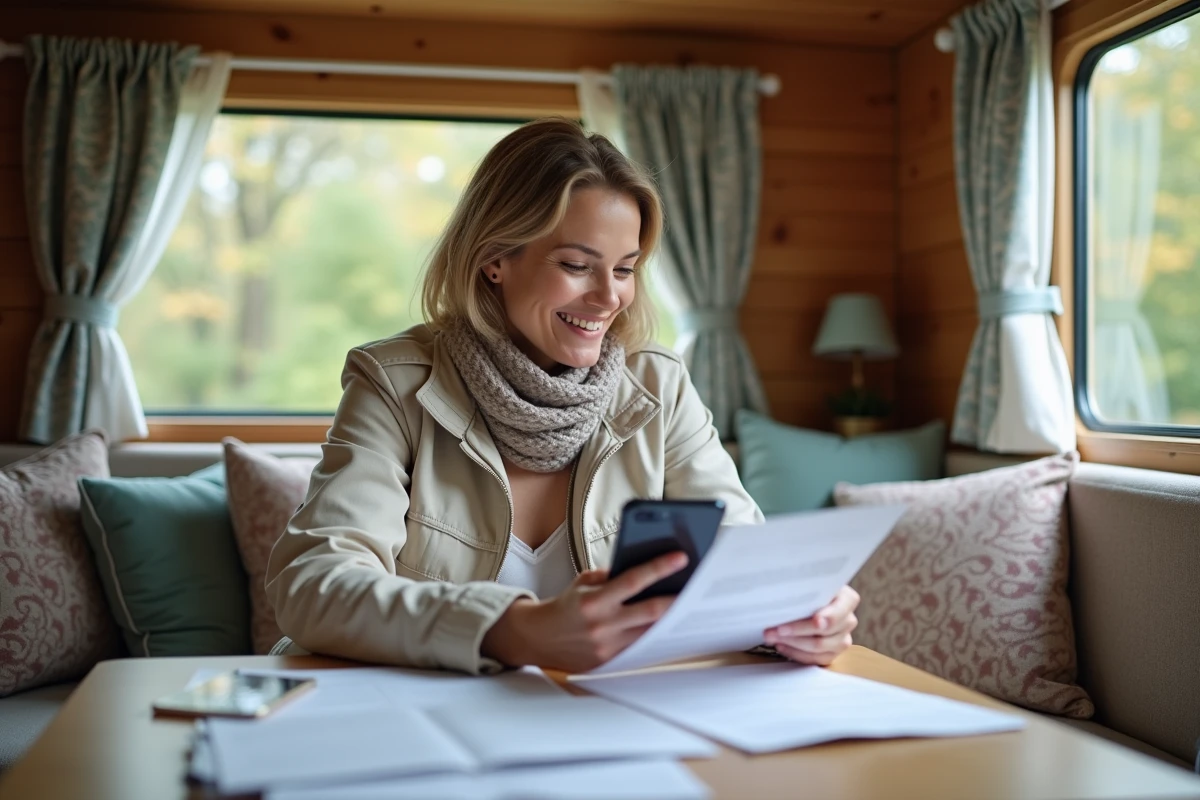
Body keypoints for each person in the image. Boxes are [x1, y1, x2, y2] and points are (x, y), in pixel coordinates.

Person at [264, 117, 860, 675]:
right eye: (577, 264)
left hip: (609, 724)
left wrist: (803, 614)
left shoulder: (659, 385)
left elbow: (743, 566)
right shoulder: (396, 382)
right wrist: (513, 629)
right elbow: (314, 584)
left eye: (624, 269)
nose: (608, 298)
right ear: (494, 259)